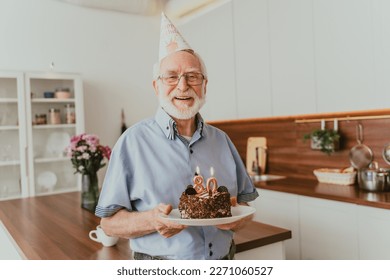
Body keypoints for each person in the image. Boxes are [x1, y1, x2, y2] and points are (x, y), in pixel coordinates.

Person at [95, 13, 259, 260]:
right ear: (156, 86)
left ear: (204, 85)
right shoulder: (132, 142)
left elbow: (244, 209)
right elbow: (109, 224)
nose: (183, 86)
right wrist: (152, 220)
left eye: (192, 76)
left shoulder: (222, 140)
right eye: (172, 76)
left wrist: (234, 221)